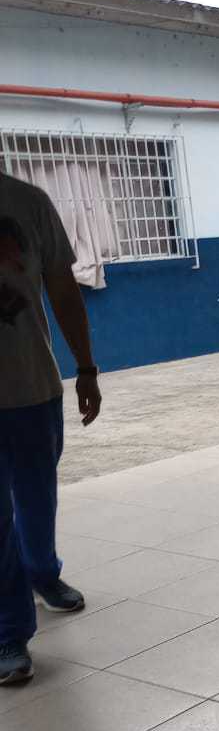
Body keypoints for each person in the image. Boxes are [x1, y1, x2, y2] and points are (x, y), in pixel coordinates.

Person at [1, 173, 101, 686]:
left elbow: (62, 287)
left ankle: (42, 572)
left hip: (32, 386)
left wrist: (86, 367)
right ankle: (9, 632)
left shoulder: (30, 203)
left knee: (37, 496)